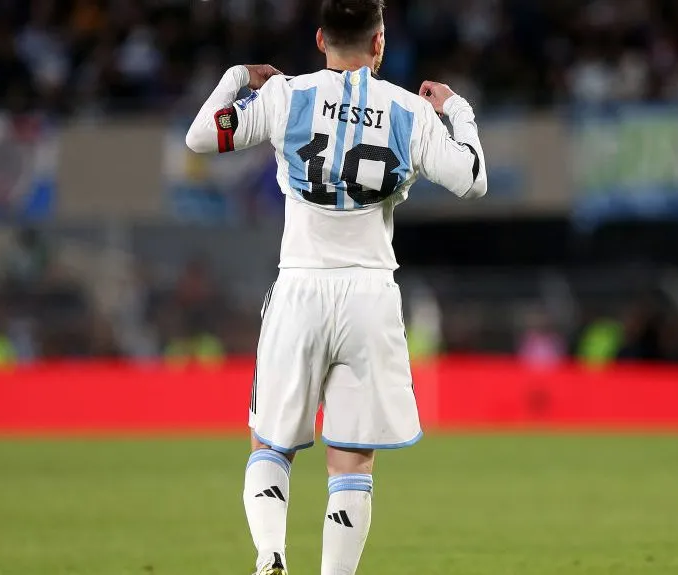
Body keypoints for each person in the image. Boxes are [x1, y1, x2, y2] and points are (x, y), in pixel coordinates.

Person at [185, 1, 488, 574]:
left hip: (300, 285)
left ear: (321, 38)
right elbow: (473, 181)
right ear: (379, 44)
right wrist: (459, 111)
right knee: (351, 461)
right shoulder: (410, 112)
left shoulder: (285, 96)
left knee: (271, 443)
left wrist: (238, 79)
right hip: (370, 295)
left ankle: (271, 556)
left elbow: (202, 137)